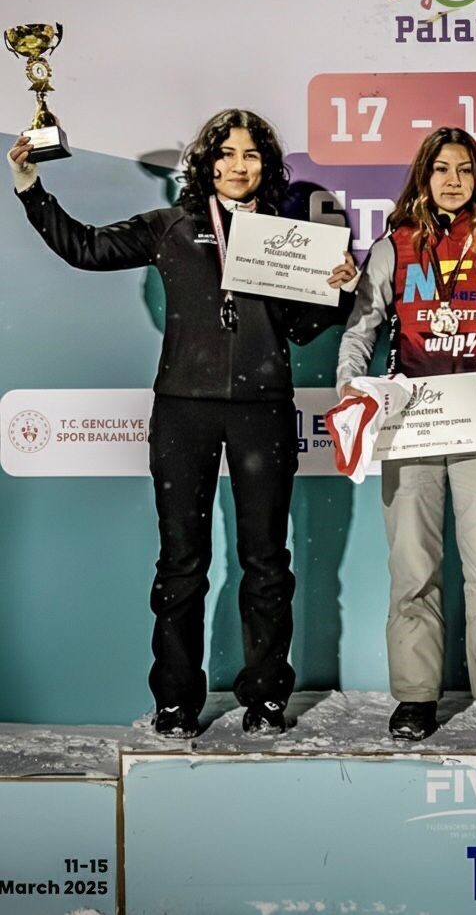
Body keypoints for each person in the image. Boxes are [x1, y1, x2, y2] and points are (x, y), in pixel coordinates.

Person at [8, 109, 357, 738]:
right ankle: (175, 701)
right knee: (180, 564)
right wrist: (32, 188)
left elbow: (302, 330)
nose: (238, 166)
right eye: (226, 153)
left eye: (251, 155)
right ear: (206, 162)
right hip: (183, 409)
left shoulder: (288, 238)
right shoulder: (169, 226)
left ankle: (265, 698)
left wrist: (340, 291)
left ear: (266, 166)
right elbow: (85, 248)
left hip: (263, 409)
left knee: (266, 563)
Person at [336, 127, 476, 742]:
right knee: (412, 564)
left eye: (465, 169)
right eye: (442, 169)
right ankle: (416, 696)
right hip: (410, 421)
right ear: (424, 176)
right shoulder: (393, 246)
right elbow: (361, 327)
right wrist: (350, 385)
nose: (453, 180)